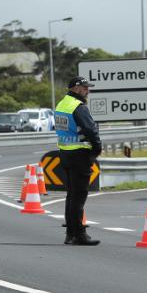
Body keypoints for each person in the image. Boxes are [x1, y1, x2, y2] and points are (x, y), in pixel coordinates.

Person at [54, 76, 102, 245]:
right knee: (79, 197)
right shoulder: (78, 107)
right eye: (84, 88)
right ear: (75, 88)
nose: (87, 90)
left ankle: (70, 233)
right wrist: (97, 148)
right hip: (80, 154)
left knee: (71, 195)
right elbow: (90, 129)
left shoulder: (61, 104)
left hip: (65, 154)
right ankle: (79, 235)